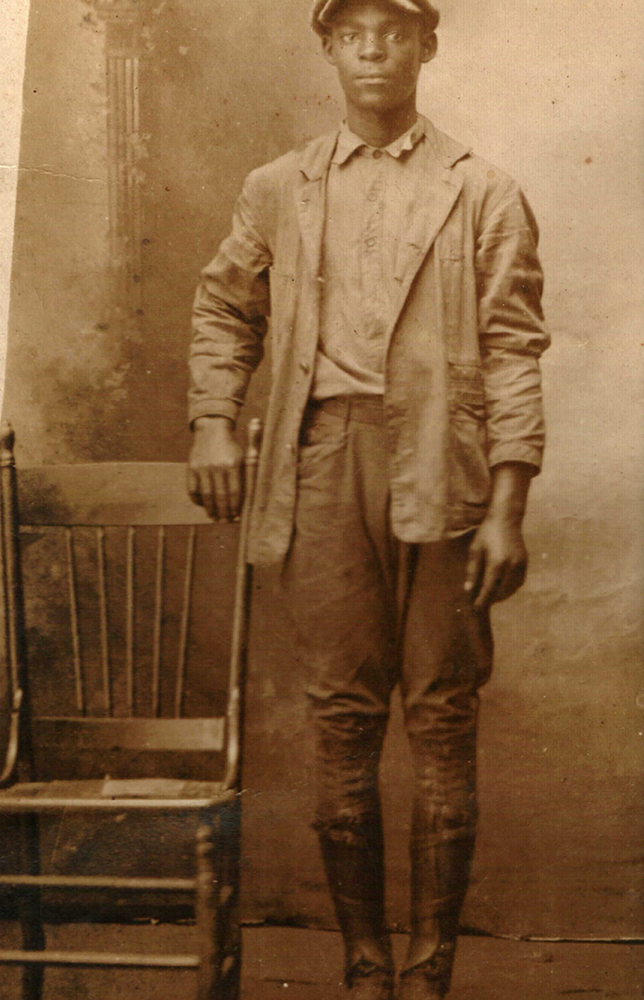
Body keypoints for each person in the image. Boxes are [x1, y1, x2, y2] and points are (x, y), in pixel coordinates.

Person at [187, 0, 549, 996]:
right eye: (353, 32)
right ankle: (362, 964)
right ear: (330, 49)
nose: (374, 48)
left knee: (440, 710)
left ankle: (428, 968)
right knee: (340, 714)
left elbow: (514, 350)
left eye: (393, 29)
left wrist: (507, 503)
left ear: (425, 45)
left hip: (443, 461)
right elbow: (224, 304)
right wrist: (214, 418)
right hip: (321, 459)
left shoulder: (482, 192)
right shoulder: (279, 187)